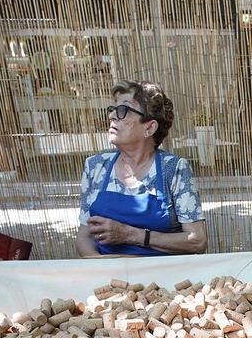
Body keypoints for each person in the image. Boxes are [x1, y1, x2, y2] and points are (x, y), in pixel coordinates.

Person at [76, 81, 207, 257]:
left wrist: (132, 235)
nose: (113, 116)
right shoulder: (95, 166)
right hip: (108, 275)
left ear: (149, 127)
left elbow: (197, 241)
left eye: (123, 110)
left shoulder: (174, 169)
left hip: (161, 278)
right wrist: (98, 262)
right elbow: (85, 235)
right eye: (113, 109)